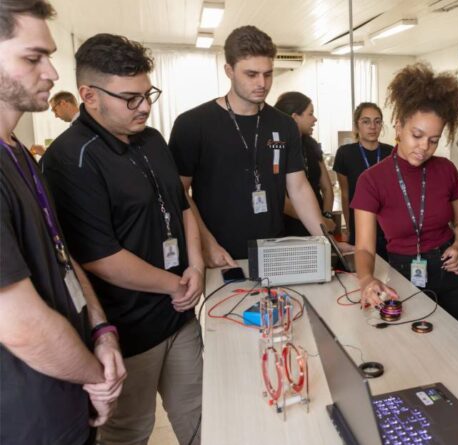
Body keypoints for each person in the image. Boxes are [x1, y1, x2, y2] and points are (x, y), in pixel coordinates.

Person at [42, 34, 204, 445]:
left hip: (180, 317)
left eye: (147, 93)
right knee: (130, 432)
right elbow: (99, 256)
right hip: (127, 331)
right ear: (89, 95)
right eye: (130, 98)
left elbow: (182, 204)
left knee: (200, 416)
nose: (145, 106)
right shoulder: (70, 158)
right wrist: (175, 283)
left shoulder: (152, 138)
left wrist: (197, 266)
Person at [0, 1, 125, 443]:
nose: (53, 73)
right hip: (27, 421)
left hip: (66, 399)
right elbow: (20, 325)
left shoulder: (17, 153)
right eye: (33, 58)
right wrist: (98, 378)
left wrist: (102, 331)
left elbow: (61, 257)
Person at [169, 26, 334, 266]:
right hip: (221, 255)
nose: (262, 83)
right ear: (229, 71)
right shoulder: (193, 124)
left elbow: (298, 188)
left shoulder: (284, 125)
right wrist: (206, 243)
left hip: (273, 250)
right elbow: (179, 193)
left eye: (268, 74)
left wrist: (325, 240)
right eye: (251, 74)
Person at [352, 63, 458, 329]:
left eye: (433, 139)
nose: (424, 147)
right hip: (404, 275)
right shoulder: (371, 180)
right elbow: (363, 248)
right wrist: (366, 279)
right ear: (398, 127)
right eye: (416, 136)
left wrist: (457, 246)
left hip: (449, 271)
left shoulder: (446, 170)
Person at [333, 102, 393, 257]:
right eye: (366, 121)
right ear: (356, 126)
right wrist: (349, 227)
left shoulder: (391, 153)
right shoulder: (345, 153)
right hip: (359, 224)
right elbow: (346, 194)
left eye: (377, 121)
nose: (372, 126)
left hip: (388, 226)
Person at [273, 91, 336, 236]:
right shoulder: (276, 147)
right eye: (310, 114)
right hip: (289, 227)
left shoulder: (312, 146)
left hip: (318, 226)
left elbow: (327, 188)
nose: (315, 119)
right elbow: (280, 198)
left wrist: (326, 217)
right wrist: (318, 220)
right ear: (294, 117)